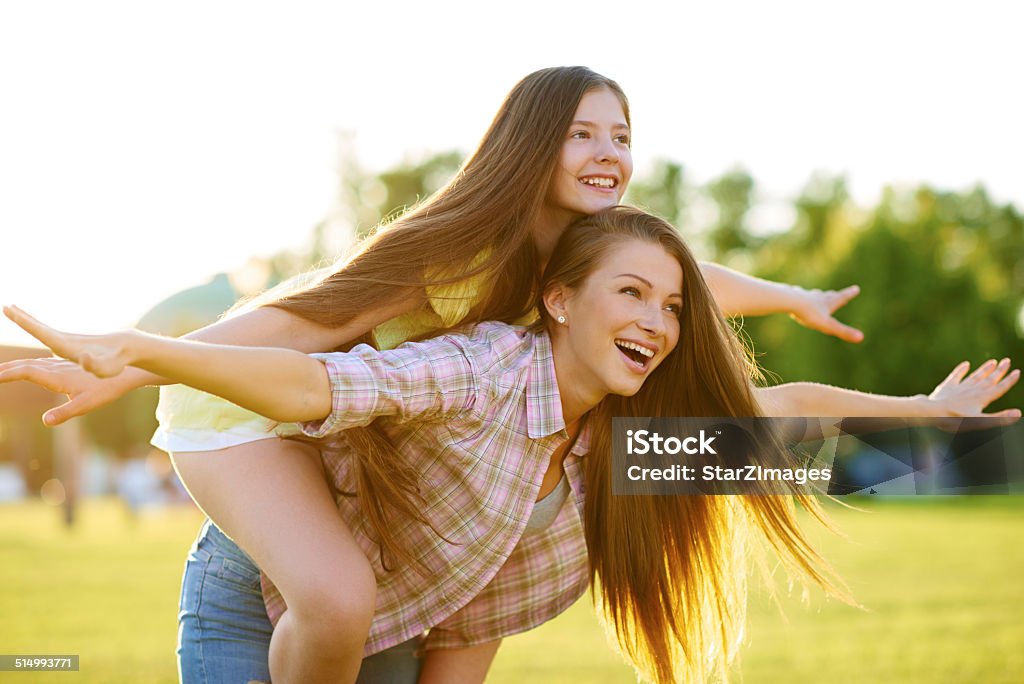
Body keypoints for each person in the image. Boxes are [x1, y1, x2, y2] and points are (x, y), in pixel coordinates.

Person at [0, 67, 867, 683]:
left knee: (357, 593)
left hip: (352, 430)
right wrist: (141, 361)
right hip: (257, 413)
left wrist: (794, 296)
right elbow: (308, 319)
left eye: (622, 135)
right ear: (534, 141)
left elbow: (690, 284)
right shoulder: (462, 248)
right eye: (583, 132)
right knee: (337, 596)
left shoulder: (588, 262)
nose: (610, 151)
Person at [4, 206, 1019, 684]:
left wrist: (922, 414)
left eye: (671, 304)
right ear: (557, 297)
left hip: (397, 630)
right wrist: (150, 353)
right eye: (631, 292)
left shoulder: (631, 448)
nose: (659, 322)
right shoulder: (485, 368)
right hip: (259, 597)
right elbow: (319, 380)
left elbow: (776, 411)